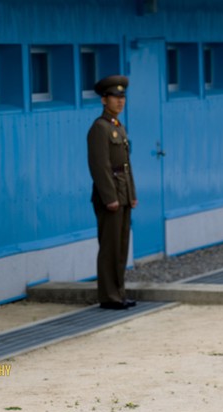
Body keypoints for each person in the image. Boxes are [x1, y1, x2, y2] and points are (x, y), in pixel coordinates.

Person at [87, 75, 138, 310]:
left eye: (122, 97)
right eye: (115, 97)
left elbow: (125, 164)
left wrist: (132, 194)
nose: (120, 101)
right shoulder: (100, 128)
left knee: (121, 245)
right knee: (109, 247)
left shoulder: (118, 127)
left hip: (123, 192)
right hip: (111, 196)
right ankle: (108, 296)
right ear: (104, 100)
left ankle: (119, 293)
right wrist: (110, 198)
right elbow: (100, 166)